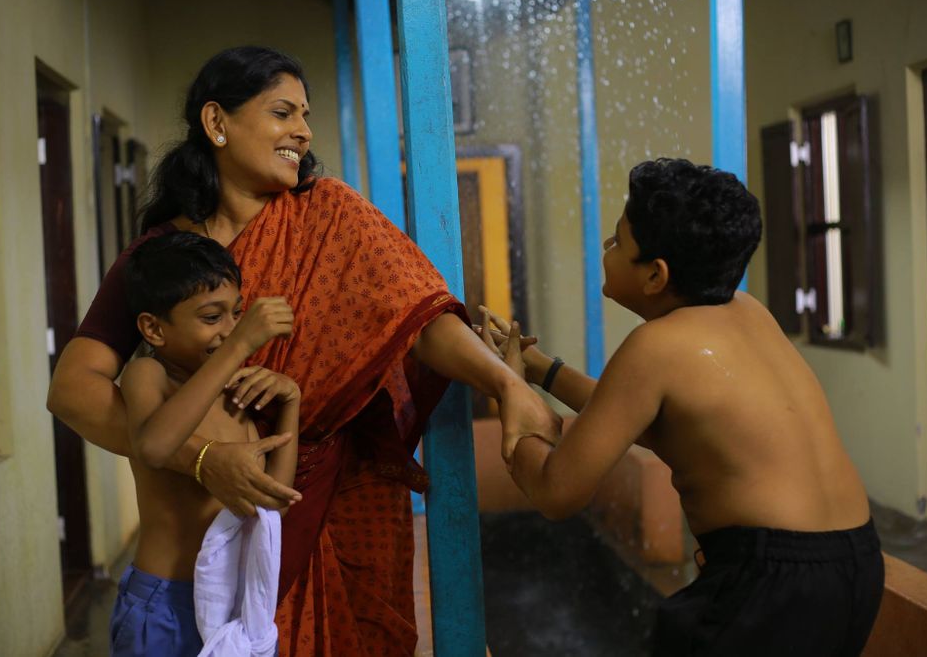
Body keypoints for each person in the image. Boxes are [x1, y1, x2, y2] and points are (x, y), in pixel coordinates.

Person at [47, 45, 558, 656]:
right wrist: (203, 458)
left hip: (340, 501)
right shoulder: (163, 261)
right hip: (200, 564)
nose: (303, 131)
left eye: (305, 116)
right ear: (216, 122)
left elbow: (418, 318)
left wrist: (505, 382)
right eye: (282, 112)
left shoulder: (334, 217)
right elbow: (73, 390)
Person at [478, 158, 884, 656]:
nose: (605, 249)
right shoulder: (749, 312)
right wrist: (537, 369)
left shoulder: (656, 346)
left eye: (617, 242)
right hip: (856, 563)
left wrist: (509, 394)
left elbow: (556, 492)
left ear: (655, 275)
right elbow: (636, 419)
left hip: (772, 582)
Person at [111, 232, 299, 656]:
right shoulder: (150, 375)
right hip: (164, 603)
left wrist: (292, 401)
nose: (230, 330)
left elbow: (274, 504)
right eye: (212, 318)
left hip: (234, 602)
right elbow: (154, 446)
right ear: (154, 328)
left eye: (237, 314)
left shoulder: (235, 391)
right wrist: (240, 344)